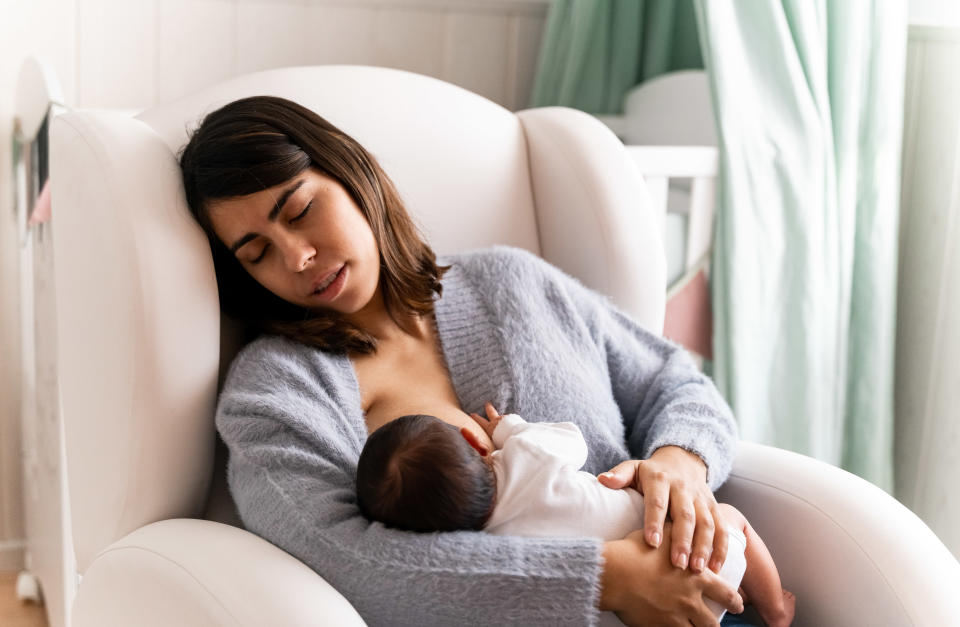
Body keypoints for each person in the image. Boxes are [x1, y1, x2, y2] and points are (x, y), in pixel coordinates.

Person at [179, 94, 749, 626]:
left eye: (301, 210)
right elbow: (344, 559)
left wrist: (681, 466)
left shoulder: (514, 281)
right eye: (258, 254)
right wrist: (604, 578)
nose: (298, 257)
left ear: (353, 175)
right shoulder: (272, 394)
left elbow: (673, 381)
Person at [356, 404, 796, 627]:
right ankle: (776, 609)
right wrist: (509, 428)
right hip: (700, 555)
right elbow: (574, 441)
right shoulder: (526, 453)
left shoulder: (491, 551)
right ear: (474, 444)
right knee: (732, 517)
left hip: (645, 617)